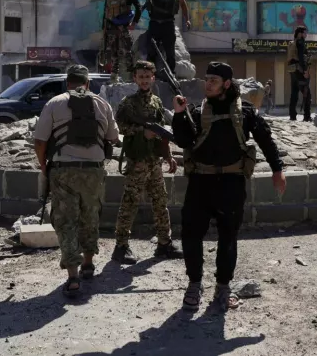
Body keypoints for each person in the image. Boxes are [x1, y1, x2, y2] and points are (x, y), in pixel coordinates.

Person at [172, 62, 287, 311]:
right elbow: (182, 140)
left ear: (226, 84)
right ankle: (194, 284)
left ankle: (223, 287)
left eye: (213, 79)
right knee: (191, 235)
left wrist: (278, 170)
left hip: (231, 184)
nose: (208, 83)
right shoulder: (196, 109)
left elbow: (265, 139)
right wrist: (180, 114)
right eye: (207, 78)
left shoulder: (245, 112)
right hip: (200, 183)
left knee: (228, 238)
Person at [33, 64, 119, 298]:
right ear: (88, 83)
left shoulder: (55, 103)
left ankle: (73, 277)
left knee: (66, 221)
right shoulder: (103, 103)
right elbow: (113, 137)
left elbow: (40, 141)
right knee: (90, 215)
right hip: (94, 171)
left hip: (63, 171)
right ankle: (88, 264)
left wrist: (43, 165)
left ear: (67, 82)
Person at [111, 60, 183, 264]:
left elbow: (161, 132)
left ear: (153, 78)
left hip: (154, 160)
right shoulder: (128, 102)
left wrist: (168, 155)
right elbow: (119, 128)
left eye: (147, 77)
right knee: (130, 202)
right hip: (138, 161)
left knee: (160, 201)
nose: (144, 80)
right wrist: (142, 131)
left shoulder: (157, 102)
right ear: (134, 78)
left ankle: (164, 244)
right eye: (140, 77)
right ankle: (121, 246)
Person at [109, 0, 191, 73]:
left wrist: (187, 20)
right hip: (154, 23)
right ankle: (150, 73)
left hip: (168, 23)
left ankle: (171, 74)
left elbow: (182, 3)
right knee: (151, 51)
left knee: (170, 52)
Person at [101, 0, 142, 83]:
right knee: (114, 54)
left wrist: (134, 22)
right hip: (111, 28)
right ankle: (114, 78)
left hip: (122, 28)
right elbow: (106, 12)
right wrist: (104, 28)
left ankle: (131, 78)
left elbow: (138, 8)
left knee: (127, 53)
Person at [287, 26, 311, 122]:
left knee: (294, 94)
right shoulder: (300, 42)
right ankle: (306, 116)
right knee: (307, 94)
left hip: (292, 71)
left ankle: (292, 116)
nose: (306, 35)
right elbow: (301, 57)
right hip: (299, 71)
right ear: (300, 34)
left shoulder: (292, 43)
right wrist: (305, 71)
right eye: (305, 33)